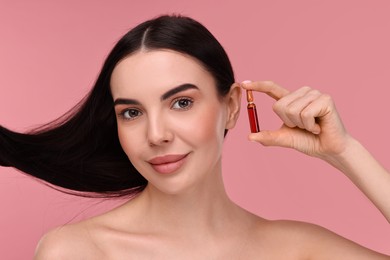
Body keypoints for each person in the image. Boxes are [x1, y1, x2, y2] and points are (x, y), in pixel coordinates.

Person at [1, 15, 389, 259]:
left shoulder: (298, 249)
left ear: (232, 106)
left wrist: (344, 152)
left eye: (181, 103)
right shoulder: (81, 252)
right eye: (131, 113)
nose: (156, 135)